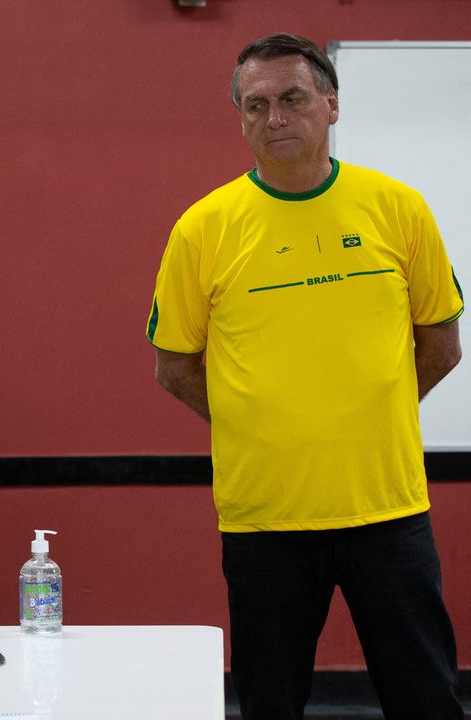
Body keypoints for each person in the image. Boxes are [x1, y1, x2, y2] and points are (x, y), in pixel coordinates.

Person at [147, 33, 464, 720]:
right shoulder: (203, 230)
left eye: (292, 98)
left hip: (389, 512)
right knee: (270, 705)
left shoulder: (399, 209)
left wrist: (365, 419)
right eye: (255, 105)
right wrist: (261, 423)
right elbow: (173, 367)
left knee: (428, 701)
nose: (275, 118)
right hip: (265, 522)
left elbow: (442, 344)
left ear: (332, 104)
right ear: (240, 119)